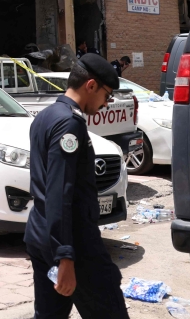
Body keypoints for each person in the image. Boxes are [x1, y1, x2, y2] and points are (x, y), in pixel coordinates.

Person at [25, 53, 128, 318]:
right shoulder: (69, 124)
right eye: (107, 95)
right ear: (91, 85)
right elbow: (59, 192)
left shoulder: (46, 116)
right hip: (74, 243)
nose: (106, 104)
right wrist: (66, 256)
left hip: (41, 233)